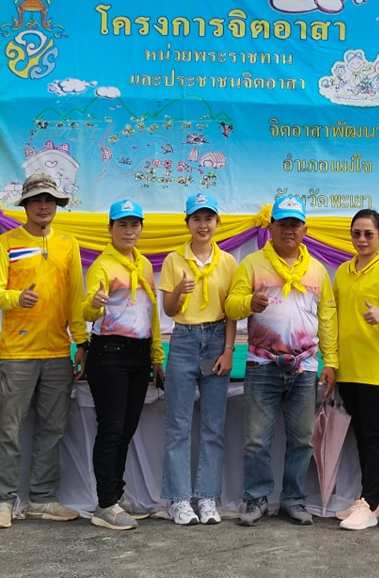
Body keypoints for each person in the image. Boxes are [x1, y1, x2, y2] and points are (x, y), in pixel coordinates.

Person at [0, 172, 88, 528]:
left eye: (50, 200)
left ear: (57, 205)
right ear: (25, 204)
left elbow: (76, 297)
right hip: (16, 354)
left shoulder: (68, 244)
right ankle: (3, 502)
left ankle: (43, 499)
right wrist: (16, 298)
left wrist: (81, 342)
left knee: (52, 429)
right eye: (37, 199)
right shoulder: (7, 243)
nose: (44, 206)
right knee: (7, 429)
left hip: (58, 353)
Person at [225, 194, 338, 527]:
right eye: (282, 223)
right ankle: (256, 498)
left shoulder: (317, 270)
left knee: (302, 438)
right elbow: (230, 306)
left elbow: (327, 318)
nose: (289, 229)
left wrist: (330, 361)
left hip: (305, 367)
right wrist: (249, 302)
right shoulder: (251, 264)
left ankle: (293, 499)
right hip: (262, 364)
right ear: (271, 227)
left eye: (295, 224)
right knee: (256, 438)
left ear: (305, 229)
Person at [82, 199, 166, 531]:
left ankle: (115, 495)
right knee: (112, 429)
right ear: (110, 229)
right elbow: (87, 313)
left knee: (126, 430)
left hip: (139, 353)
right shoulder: (102, 266)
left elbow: (151, 315)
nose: (129, 231)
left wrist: (157, 356)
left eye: (134, 225)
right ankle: (105, 503)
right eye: (122, 225)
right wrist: (95, 303)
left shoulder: (144, 265)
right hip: (109, 353)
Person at [159, 193, 237, 526]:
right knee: (177, 423)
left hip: (217, 339)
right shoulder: (174, 260)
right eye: (196, 219)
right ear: (187, 223)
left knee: (213, 425)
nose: (203, 225)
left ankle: (206, 496)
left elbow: (232, 311)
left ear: (217, 223)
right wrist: (179, 290)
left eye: (209, 219)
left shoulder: (229, 262)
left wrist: (229, 350)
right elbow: (169, 309)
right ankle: (178, 499)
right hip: (184, 339)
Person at [333, 209, 379, 531]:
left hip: (376, 366)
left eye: (368, 234)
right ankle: (368, 500)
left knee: (374, 436)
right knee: (361, 436)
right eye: (356, 233)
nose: (362, 239)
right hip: (348, 367)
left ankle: (371, 500)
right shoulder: (342, 272)